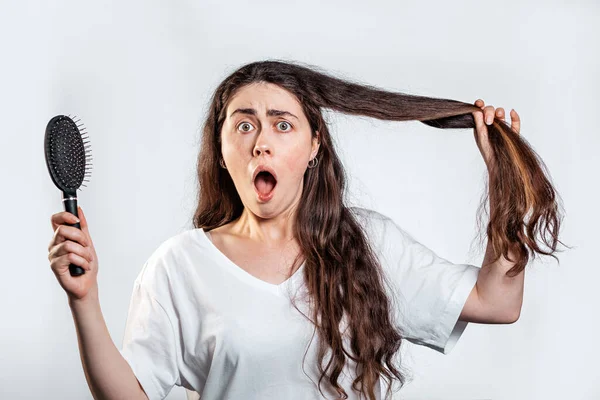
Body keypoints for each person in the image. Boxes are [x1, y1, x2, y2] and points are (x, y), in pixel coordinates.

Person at [49, 60, 551, 400]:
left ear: (314, 147)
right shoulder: (180, 266)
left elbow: (497, 302)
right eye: (243, 125)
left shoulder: (368, 244)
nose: (261, 142)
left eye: (282, 124)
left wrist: (511, 184)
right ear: (221, 152)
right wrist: (84, 299)